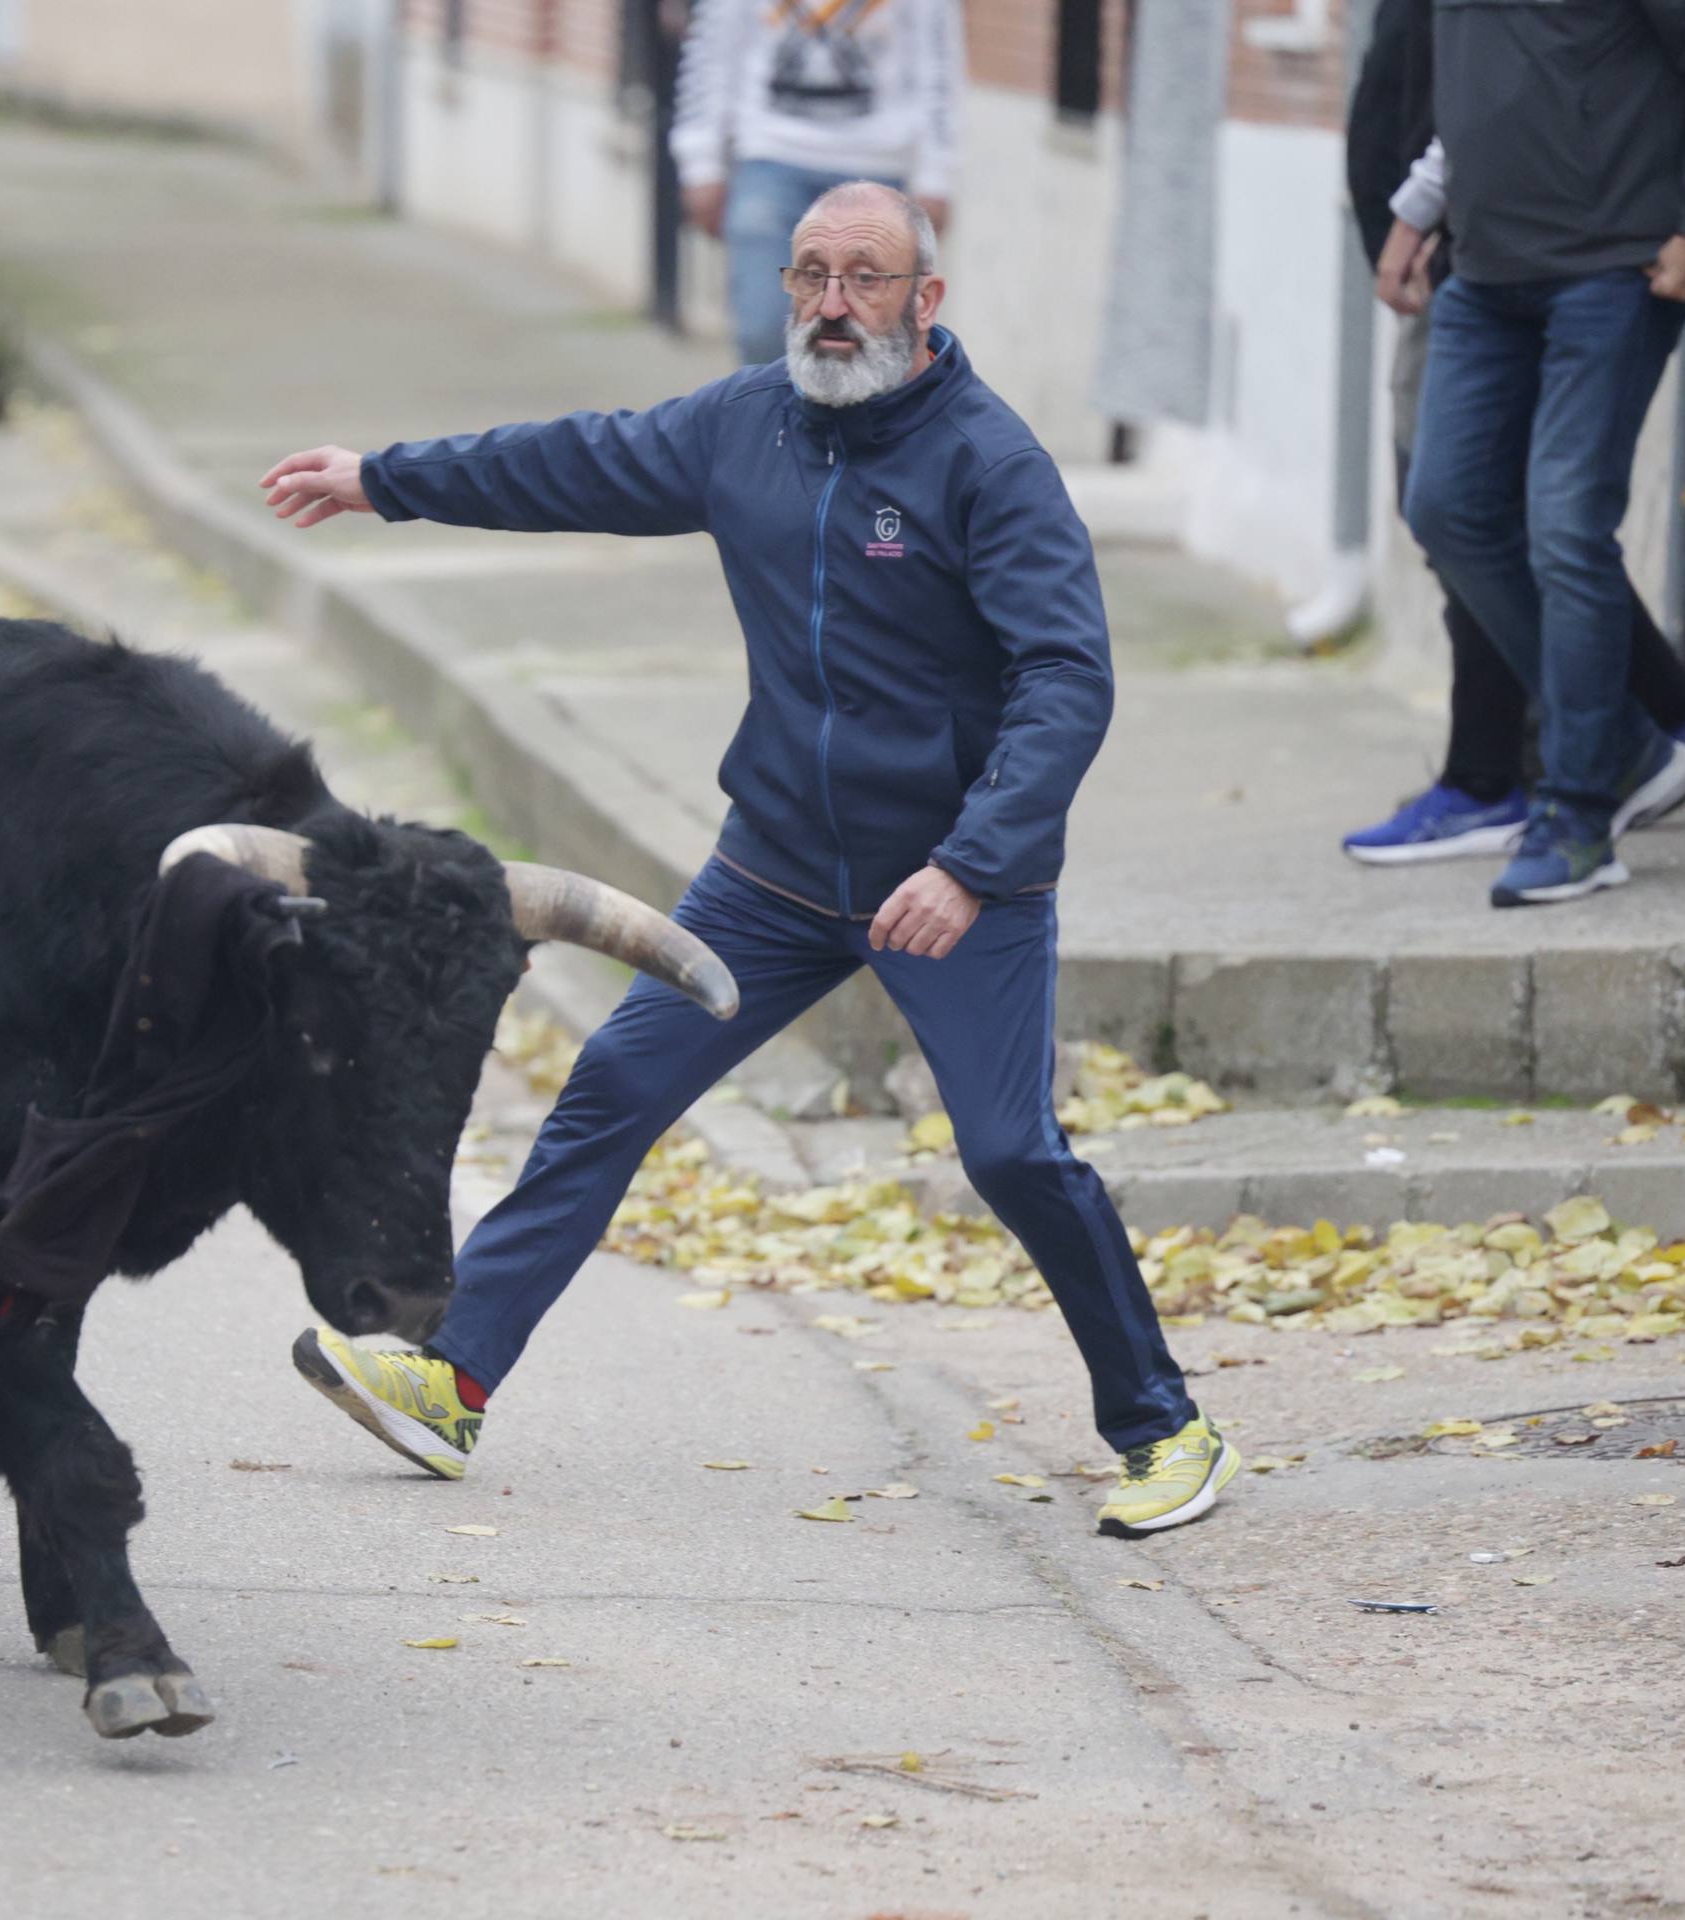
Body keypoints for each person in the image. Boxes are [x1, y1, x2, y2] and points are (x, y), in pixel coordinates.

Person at [259, 183, 1235, 1539]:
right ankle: (451, 1381)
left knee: (1013, 1153)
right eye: (810, 275)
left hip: (950, 887)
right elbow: (574, 461)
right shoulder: (746, 425)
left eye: (866, 279)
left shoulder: (989, 464)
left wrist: (971, 863)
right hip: (773, 870)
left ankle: (1167, 1428)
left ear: (925, 301)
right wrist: (387, 480)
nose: (833, 306)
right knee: (613, 1085)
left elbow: (1066, 677)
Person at [1340, 0, 1685, 866]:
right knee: (1447, 508)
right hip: (1485, 269)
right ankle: (1626, 747)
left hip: (1611, 265)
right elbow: (1480, 94)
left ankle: (1577, 813)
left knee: (1566, 525)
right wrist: (1414, 214)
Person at [670, 0, 962, 370]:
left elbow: (938, 60)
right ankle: (773, 409)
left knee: (876, 338)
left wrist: (936, 174)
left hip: (878, 163)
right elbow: (711, 53)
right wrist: (700, 163)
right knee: (763, 329)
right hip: (769, 159)